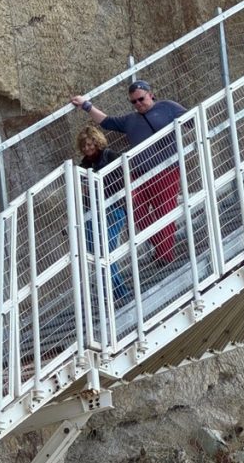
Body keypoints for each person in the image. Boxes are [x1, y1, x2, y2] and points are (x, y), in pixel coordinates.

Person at [70, 80, 186, 264]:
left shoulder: (167, 107)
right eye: (133, 101)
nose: (138, 104)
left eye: (141, 99)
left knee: (164, 212)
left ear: (150, 94)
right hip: (139, 173)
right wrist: (86, 105)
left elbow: (191, 120)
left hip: (167, 170)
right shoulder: (131, 120)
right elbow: (107, 122)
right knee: (136, 212)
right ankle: (162, 248)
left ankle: (165, 256)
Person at [76, 125, 130, 302]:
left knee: (105, 251)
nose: (87, 148)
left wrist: (95, 185)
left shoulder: (110, 156)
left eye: (89, 144)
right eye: (83, 146)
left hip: (113, 209)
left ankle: (120, 293)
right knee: (95, 252)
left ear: (97, 142)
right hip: (92, 213)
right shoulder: (83, 165)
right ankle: (114, 293)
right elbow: (81, 192)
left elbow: (122, 180)